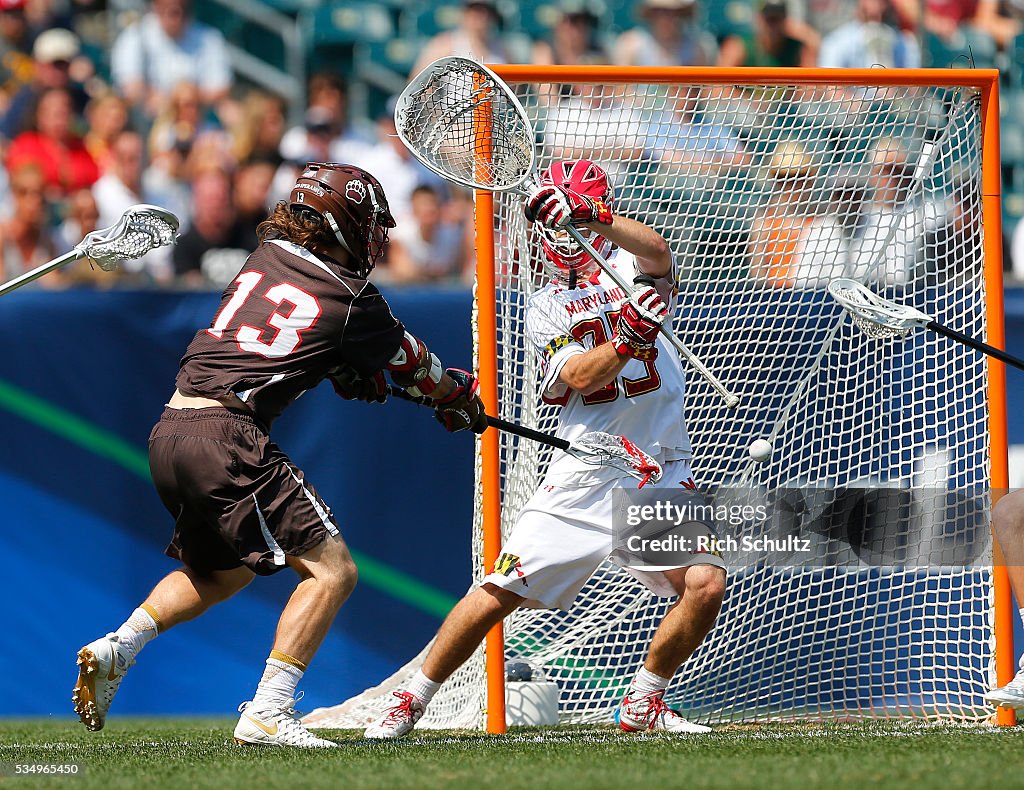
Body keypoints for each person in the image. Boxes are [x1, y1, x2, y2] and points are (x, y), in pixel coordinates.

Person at [71, 162, 488, 748]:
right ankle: (269, 710)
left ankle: (119, 646)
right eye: (369, 224)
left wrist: (344, 365)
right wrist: (457, 398)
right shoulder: (350, 296)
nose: (376, 237)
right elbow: (416, 366)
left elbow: (282, 339)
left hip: (170, 429)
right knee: (333, 571)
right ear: (346, 223)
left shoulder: (261, 257)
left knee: (222, 572)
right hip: (228, 434)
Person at [364, 159, 727, 739]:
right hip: (589, 468)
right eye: (555, 226)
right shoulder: (547, 305)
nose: (561, 238)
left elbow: (657, 251)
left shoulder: (632, 265)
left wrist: (596, 218)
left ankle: (644, 701)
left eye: (569, 222)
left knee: (705, 581)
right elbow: (581, 376)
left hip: (659, 467)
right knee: (497, 593)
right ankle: (411, 699)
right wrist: (631, 334)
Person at [110, 0, 231, 117]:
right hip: (147, 118)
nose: (175, 14)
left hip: (196, 115)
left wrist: (182, 99)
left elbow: (220, 89)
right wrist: (159, 101)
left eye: (180, 9)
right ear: (155, 6)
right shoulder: (135, 35)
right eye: (168, 8)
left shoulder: (209, 38)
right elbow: (130, 89)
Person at [410, 0, 509, 78]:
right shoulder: (445, 45)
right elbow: (418, 83)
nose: (480, 16)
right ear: (464, 13)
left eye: (484, 11)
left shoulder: (502, 49)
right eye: (474, 10)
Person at [818, 0, 920, 68]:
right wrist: (863, 101)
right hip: (857, 100)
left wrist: (894, 95)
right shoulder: (836, 42)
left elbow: (913, 90)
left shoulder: (906, 44)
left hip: (893, 99)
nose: (876, 5)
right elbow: (831, 89)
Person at [614, 0, 717, 67]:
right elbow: (621, 90)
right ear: (651, 14)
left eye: (672, 12)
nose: (666, 18)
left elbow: (701, 89)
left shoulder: (696, 47)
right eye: (660, 11)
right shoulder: (631, 44)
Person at [717, 0, 819, 68]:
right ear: (759, 18)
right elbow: (716, 88)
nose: (773, 26)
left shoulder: (797, 49)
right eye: (769, 19)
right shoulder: (739, 45)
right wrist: (748, 100)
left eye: (777, 19)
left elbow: (810, 89)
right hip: (745, 100)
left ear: (786, 20)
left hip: (784, 101)